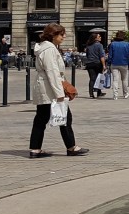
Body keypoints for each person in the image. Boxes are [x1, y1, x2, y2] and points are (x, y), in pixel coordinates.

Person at [29, 23, 88, 158]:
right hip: (49, 88)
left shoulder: (44, 48)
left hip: (44, 86)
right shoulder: (49, 49)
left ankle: (35, 149)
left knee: (41, 118)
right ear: (53, 35)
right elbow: (52, 72)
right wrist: (59, 94)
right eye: (61, 34)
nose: (64, 36)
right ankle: (71, 147)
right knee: (65, 116)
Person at [106, 31, 129, 100]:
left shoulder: (112, 44)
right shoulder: (127, 44)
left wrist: (108, 63)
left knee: (115, 80)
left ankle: (115, 95)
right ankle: (125, 93)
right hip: (124, 63)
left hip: (114, 63)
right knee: (124, 79)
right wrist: (128, 62)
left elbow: (110, 55)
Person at [83, 32, 107, 98]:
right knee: (99, 78)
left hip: (89, 63)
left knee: (92, 79)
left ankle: (91, 94)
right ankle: (98, 92)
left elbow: (87, 55)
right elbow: (102, 56)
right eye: (99, 36)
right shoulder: (99, 45)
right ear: (96, 38)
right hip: (97, 63)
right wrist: (104, 65)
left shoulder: (88, 45)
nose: (100, 37)